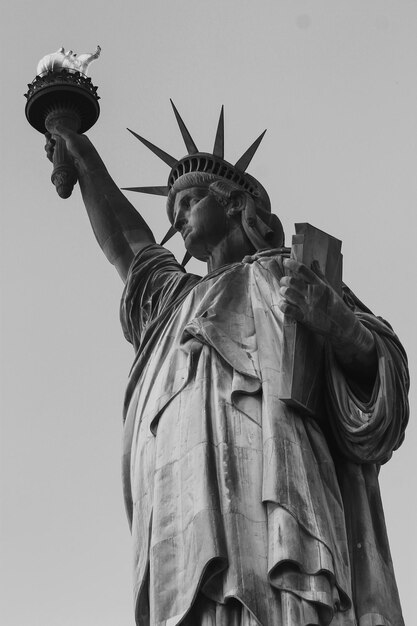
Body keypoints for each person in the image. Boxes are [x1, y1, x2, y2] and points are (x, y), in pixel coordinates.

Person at [45, 108, 409, 626]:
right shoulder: (174, 301)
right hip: (183, 500)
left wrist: (339, 325)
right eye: (175, 210)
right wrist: (81, 155)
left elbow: (383, 386)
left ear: (235, 203)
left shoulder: (290, 272)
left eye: (189, 201)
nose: (177, 218)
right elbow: (130, 248)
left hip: (279, 484)